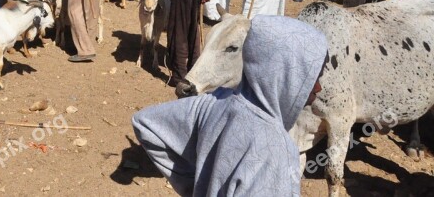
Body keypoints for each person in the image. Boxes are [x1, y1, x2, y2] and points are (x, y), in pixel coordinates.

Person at [132, 15, 327, 197]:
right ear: (284, 73)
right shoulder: (276, 150)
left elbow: (146, 123)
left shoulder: (215, 102)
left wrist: (197, 186)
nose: (318, 87)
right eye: (309, 77)